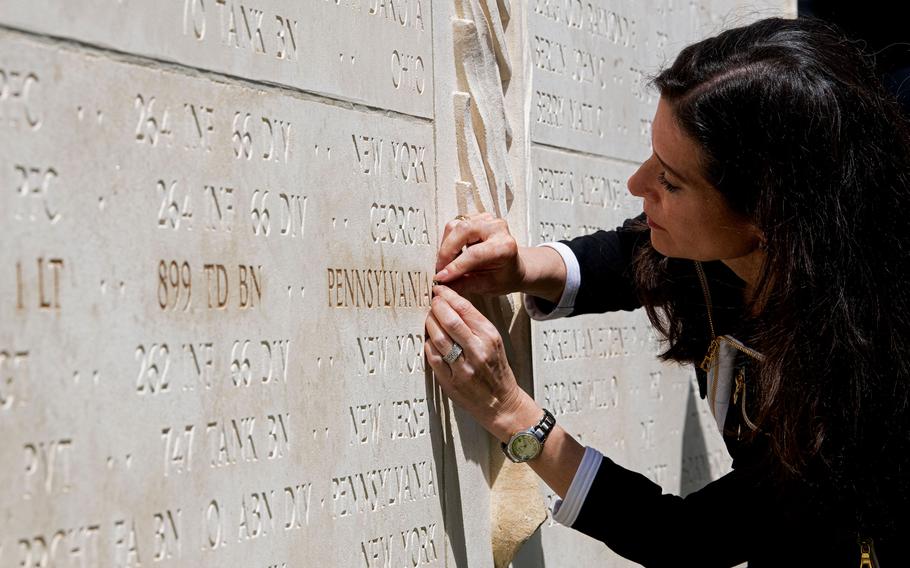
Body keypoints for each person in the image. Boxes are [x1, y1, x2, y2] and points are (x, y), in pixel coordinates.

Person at [424, 17, 910, 567]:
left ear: (768, 219)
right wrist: (522, 266)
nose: (637, 184)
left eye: (671, 181)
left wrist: (513, 415)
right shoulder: (756, 247)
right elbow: (637, 258)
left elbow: (693, 538)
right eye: (654, 156)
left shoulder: (864, 383)